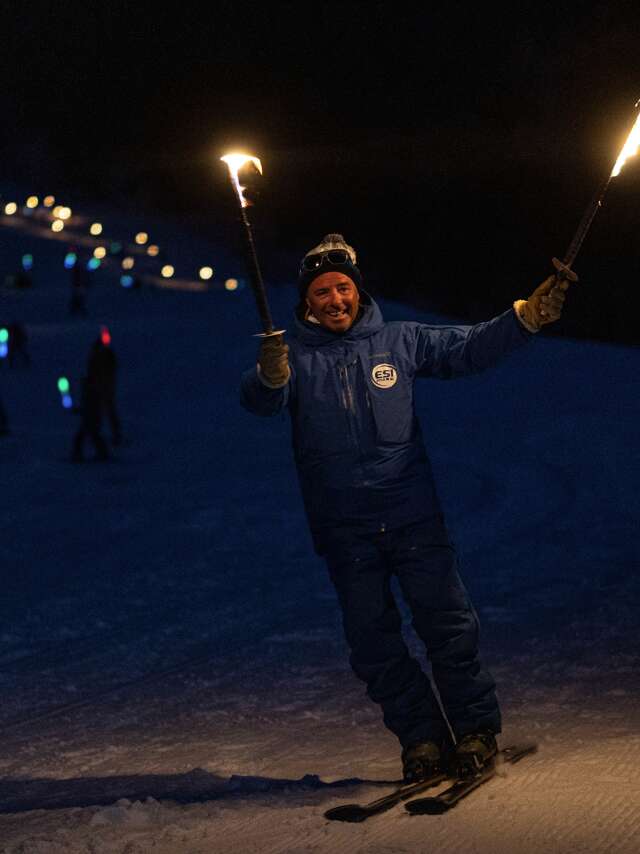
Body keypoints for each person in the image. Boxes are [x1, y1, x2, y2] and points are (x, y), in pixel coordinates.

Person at [240, 234, 568, 782]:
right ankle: (421, 738)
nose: (335, 299)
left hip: (414, 516)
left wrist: (525, 317)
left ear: (358, 290)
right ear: (306, 302)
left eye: (343, 287)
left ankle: (475, 731)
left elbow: (468, 348)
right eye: (322, 292)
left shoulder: (400, 340)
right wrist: (267, 377)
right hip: (345, 530)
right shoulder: (293, 358)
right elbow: (260, 399)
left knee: (448, 627)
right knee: (372, 642)